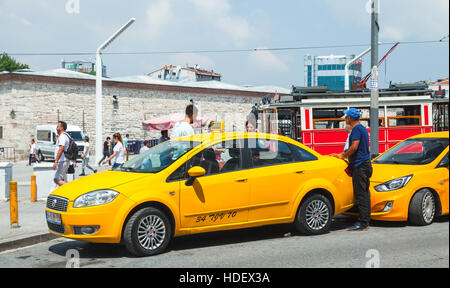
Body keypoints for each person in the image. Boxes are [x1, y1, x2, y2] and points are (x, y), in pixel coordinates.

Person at [332, 108, 372, 231]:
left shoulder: (356, 130)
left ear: (350, 118)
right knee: (364, 193)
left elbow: (354, 147)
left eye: (346, 117)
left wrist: (342, 155)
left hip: (360, 166)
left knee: (361, 194)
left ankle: (363, 223)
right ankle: (364, 219)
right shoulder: (362, 129)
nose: (345, 119)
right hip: (365, 164)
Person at [53, 121, 71, 186]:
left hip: (62, 161)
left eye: (57, 127)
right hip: (65, 160)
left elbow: (61, 149)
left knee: (57, 179)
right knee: (64, 179)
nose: (56, 128)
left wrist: (56, 161)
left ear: (61, 128)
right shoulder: (66, 135)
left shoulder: (63, 136)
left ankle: (72, 190)